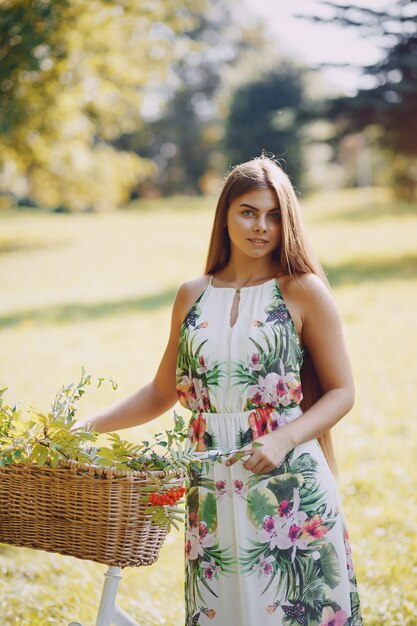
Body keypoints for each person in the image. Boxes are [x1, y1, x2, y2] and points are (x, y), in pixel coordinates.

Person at [75, 155, 363, 626]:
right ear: (225, 214)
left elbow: (342, 391)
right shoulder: (193, 293)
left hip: (287, 488)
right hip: (209, 489)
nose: (261, 227)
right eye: (248, 211)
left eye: (274, 215)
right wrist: (82, 427)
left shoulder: (302, 290)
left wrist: (284, 437)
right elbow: (160, 391)